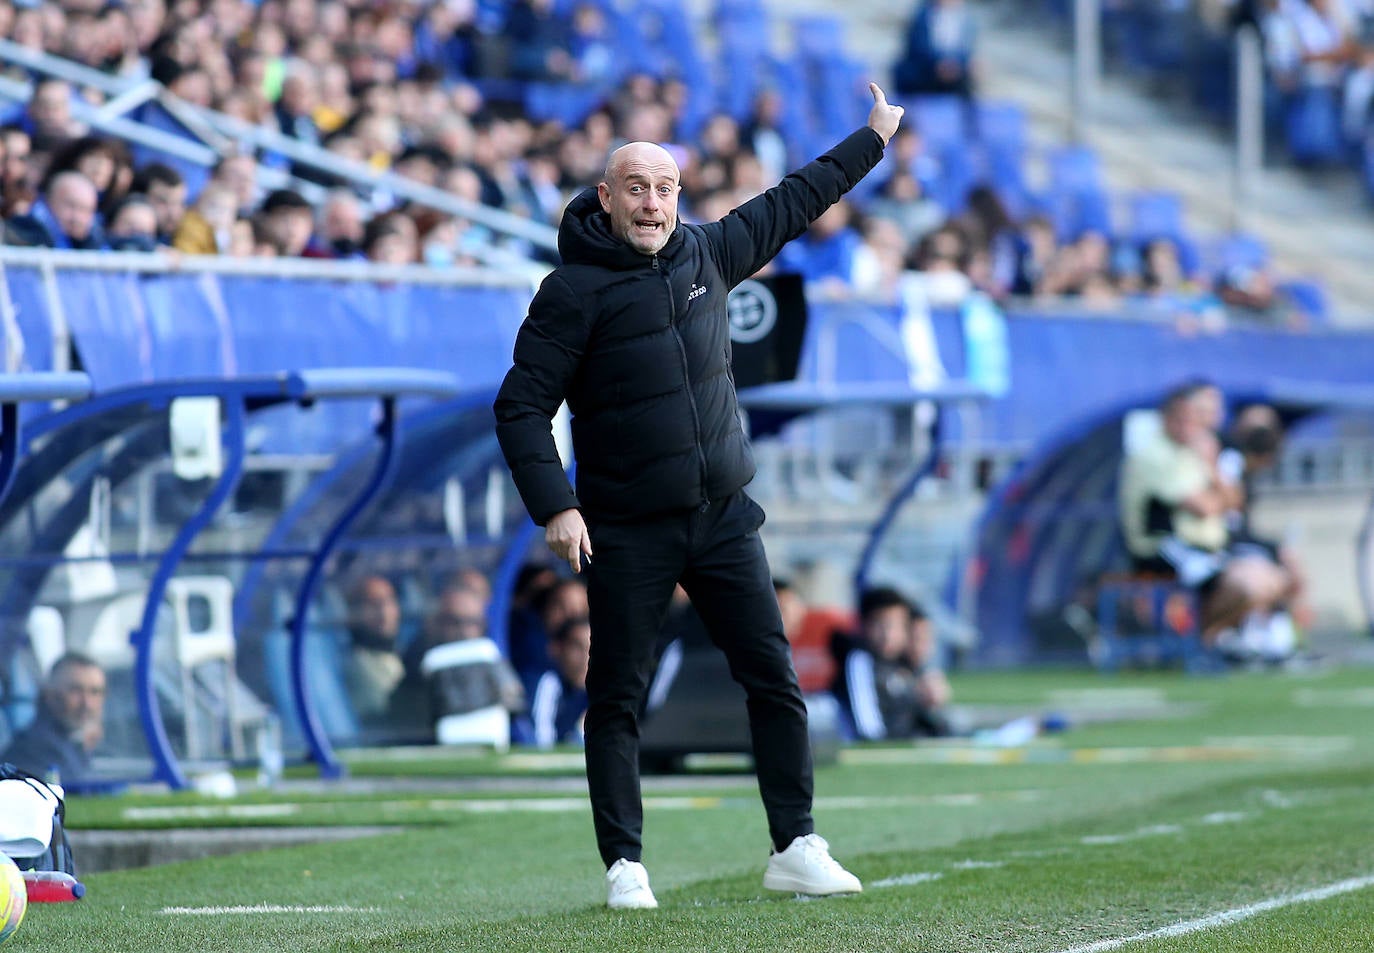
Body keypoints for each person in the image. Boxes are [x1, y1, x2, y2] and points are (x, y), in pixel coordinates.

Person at [494, 81, 904, 909]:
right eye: (636, 188)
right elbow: (520, 406)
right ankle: (624, 866)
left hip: (722, 516)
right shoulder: (570, 293)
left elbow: (796, 199)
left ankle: (795, 843)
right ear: (606, 198)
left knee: (774, 676)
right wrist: (556, 506)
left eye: (666, 187)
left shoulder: (708, 252)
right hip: (625, 530)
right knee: (616, 696)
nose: (653, 203)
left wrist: (874, 140)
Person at [1118, 383, 1292, 641]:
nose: (1194, 425)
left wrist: (1212, 470)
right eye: (1187, 418)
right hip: (1164, 549)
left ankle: (1202, 639)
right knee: (1249, 585)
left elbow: (1235, 500)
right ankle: (1190, 640)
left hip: (1205, 550)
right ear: (1168, 418)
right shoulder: (1153, 455)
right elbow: (1204, 507)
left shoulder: (1197, 452)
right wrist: (1217, 489)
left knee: (1275, 579)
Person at [831, 587, 952, 741]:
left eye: (895, 625)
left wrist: (932, 706)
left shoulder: (905, 666)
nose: (887, 635)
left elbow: (931, 725)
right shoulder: (860, 662)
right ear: (863, 625)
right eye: (880, 625)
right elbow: (870, 732)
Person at [1, 652, 106, 785]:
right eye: (76, 690)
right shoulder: (35, 750)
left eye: (95, 692)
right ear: (50, 695)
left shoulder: (76, 743)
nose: (87, 703)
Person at [342, 575, 406, 727]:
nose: (384, 612)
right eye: (373, 604)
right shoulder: (358, 665)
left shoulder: (396, 652)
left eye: (389, 601)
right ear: (353, 614)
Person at [528, 615, 591, 748]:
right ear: (557, 649)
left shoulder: (606, 690)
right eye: (577, 647)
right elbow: (542, 745)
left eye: (591, 648)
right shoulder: (548, 684)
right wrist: (579, 733)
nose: (585, 657)